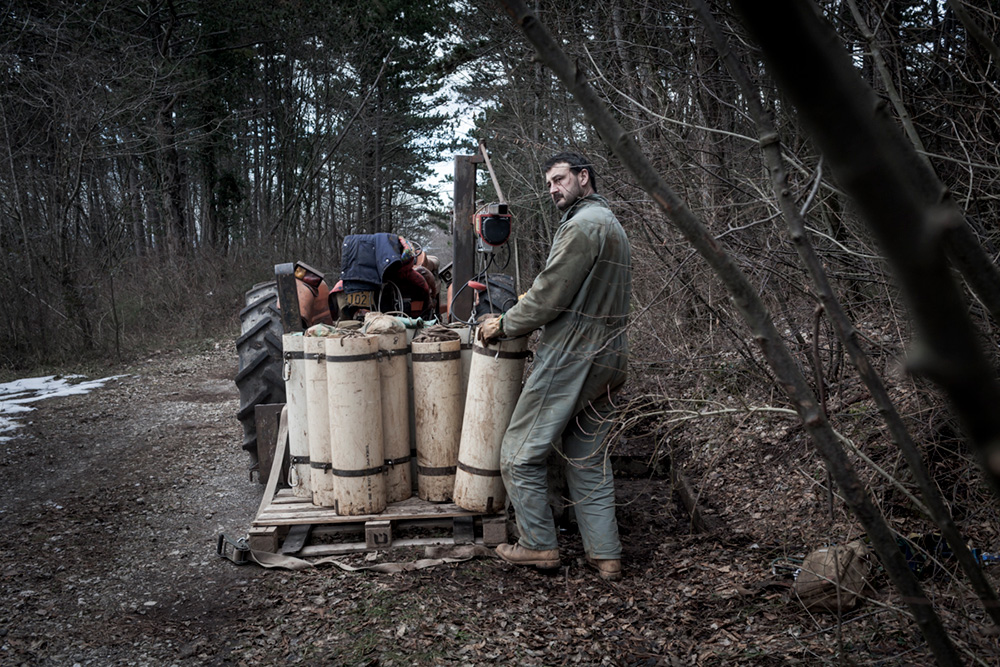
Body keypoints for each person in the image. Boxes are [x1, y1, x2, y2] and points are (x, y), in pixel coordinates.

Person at [479, 152, 632, 581]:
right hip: (611, 358)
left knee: (517, 454)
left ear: (584, 178)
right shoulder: (613, 225)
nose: (553, 189)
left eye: (560, 179)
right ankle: (606, 555)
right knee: (587, 459)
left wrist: (503, 324)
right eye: (549, 182)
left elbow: (549, 296)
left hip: (571, 357)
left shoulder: (582, 227)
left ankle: (537, 546)